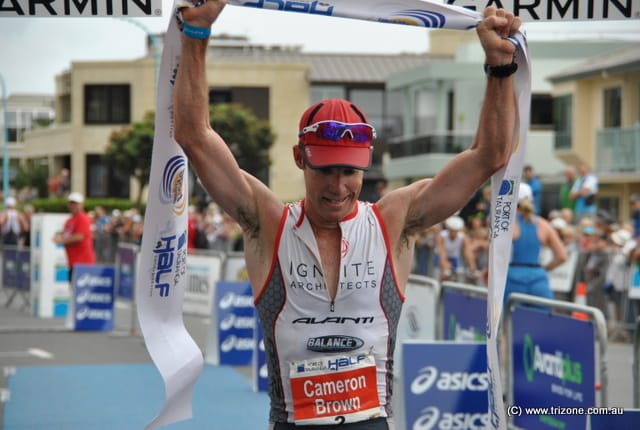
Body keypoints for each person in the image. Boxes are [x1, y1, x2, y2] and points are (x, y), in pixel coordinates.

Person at [173, 2, 521, 428]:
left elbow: (490, 156)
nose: (338, 187)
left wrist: (500, 66)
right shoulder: (268, 222)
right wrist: (196, 34)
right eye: (325, 171)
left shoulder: (394, 219)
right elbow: (194, 136)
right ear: (300, 158)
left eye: (350, 172)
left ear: (366, 164)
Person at [504, 183, 567, 306]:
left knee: (512, 323)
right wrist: (543, 269)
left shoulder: (507, 225)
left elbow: (496, 256)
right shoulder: (544, 225)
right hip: (539, 281)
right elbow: (562, 256)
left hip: (512, 280)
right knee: (542, 323)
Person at [53, 192, 96, 283]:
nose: (73, 206)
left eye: (76, 204)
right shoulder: (69, 220)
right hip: (72, 261)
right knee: (73, 289)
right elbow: (67, 235)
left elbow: (79, 236)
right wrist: (59, 237)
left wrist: (62, 240)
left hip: (83, 263)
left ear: (81, 205)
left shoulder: (83, 218)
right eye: (71, 203)